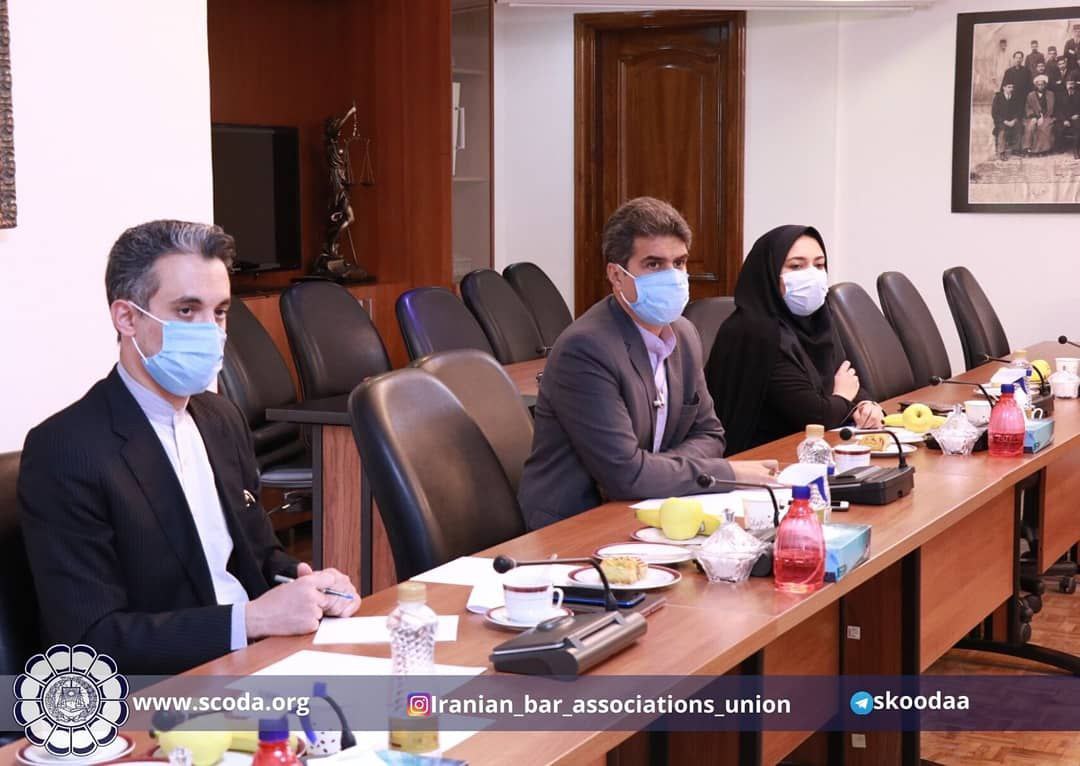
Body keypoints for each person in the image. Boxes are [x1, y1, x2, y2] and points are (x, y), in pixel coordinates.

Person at [17, 220, 361, 674]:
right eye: (186, 310)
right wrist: (250, 620)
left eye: (219, 312)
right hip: (169, 687)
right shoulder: (66, 450)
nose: (210, 331)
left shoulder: (220, 418)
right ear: (127, 318)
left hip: (262, 657)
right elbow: (90, 639)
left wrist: (308, 585)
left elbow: (257, 555)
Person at [517, 198, 778, 530]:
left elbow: (710, 434)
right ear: (617, 275)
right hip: (575, 523)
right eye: (654, 264)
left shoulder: (684, 334)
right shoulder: (585, 348)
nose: (672, 276)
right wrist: (726, 472)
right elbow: (625, 475)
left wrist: (653, 470)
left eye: (679, 262)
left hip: (653, 505)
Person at [705, 226, 885, 455]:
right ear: (769, 274)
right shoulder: (755, 332)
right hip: (758, 460)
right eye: (796, 266)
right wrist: (842, 397)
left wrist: (866, 406)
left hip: (808, 453)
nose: (812, 275)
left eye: (819, 265)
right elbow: (816, 418)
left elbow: (847, 380)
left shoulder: (819, 321)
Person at [1024, 75, 1056, 155]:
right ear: (1036, 85)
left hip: (1047, 116)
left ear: (1045, 85)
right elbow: (1028, 107)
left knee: (1044, 127)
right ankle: (1028, 148)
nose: (1040, 86)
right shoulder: (1031, 95)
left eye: (1042, 85)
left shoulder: (1050, 94)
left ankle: (1042, 150)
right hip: (1034, 116)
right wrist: (1035, 117)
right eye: (1039, 85)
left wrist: (1043, 117)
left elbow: (1052, 107)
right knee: (1030, 126)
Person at [992, 82, 1024, 160]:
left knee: (1019, 127)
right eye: (1009, 87)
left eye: (1012, 87)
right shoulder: (998, 97)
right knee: (1002, 130)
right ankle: (1001, 152)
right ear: (1004, 88)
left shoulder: (1015, 97)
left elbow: (1018, 111)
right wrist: (1005, 121)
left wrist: (1014, 120)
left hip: (1012, 120)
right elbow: (994, 113)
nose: (1011, 89)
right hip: (1001, 121)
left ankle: (1016, 150)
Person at [1058, 79, 1080, 159]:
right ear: (1066, 85)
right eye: (1068, 84)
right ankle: (1060, 148)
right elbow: (1059, 110)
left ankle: (1076, 150)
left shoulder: (1078, 94)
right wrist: (1064, 120)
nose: (1070, 86)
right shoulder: (1061, 95)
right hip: (1065, 118)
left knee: (1077, 128)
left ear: (1074, 85)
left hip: (1076, 118)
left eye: (1072, 84)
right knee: (1058, 128)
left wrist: (1078, 114)